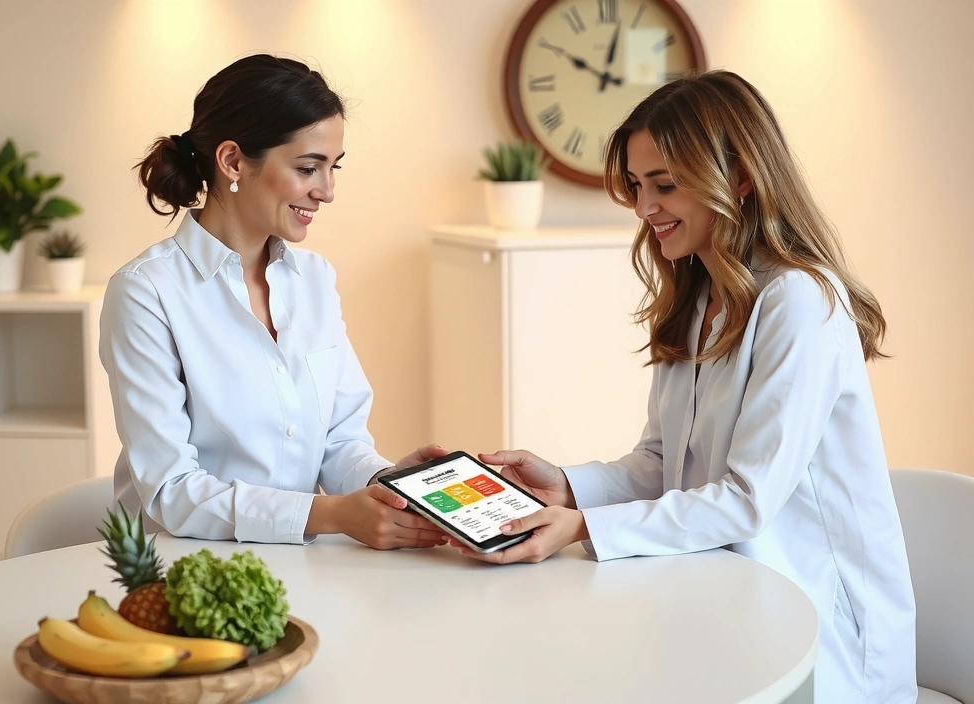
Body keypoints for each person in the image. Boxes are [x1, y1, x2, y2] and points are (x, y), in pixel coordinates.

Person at [451, 70, 917, 702]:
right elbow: (666, 463)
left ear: (742, 178)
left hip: (817, 636)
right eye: (639, 187)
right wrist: (564, 484)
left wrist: (584, 526)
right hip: (720, 601)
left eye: (664, 186)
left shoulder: (799, 301)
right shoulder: (699, 298)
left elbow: (746, 500)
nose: (645, 209)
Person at [101, 54, 447, 550]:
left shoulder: (314, 280)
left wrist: (387, 486)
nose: (326, 192)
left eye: (333, 169)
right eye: (309, 168)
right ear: (233, 161)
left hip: (300, 564)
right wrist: (329, 514)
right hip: (184, 568)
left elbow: (340, 442)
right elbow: (171, 491)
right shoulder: (145, 292)